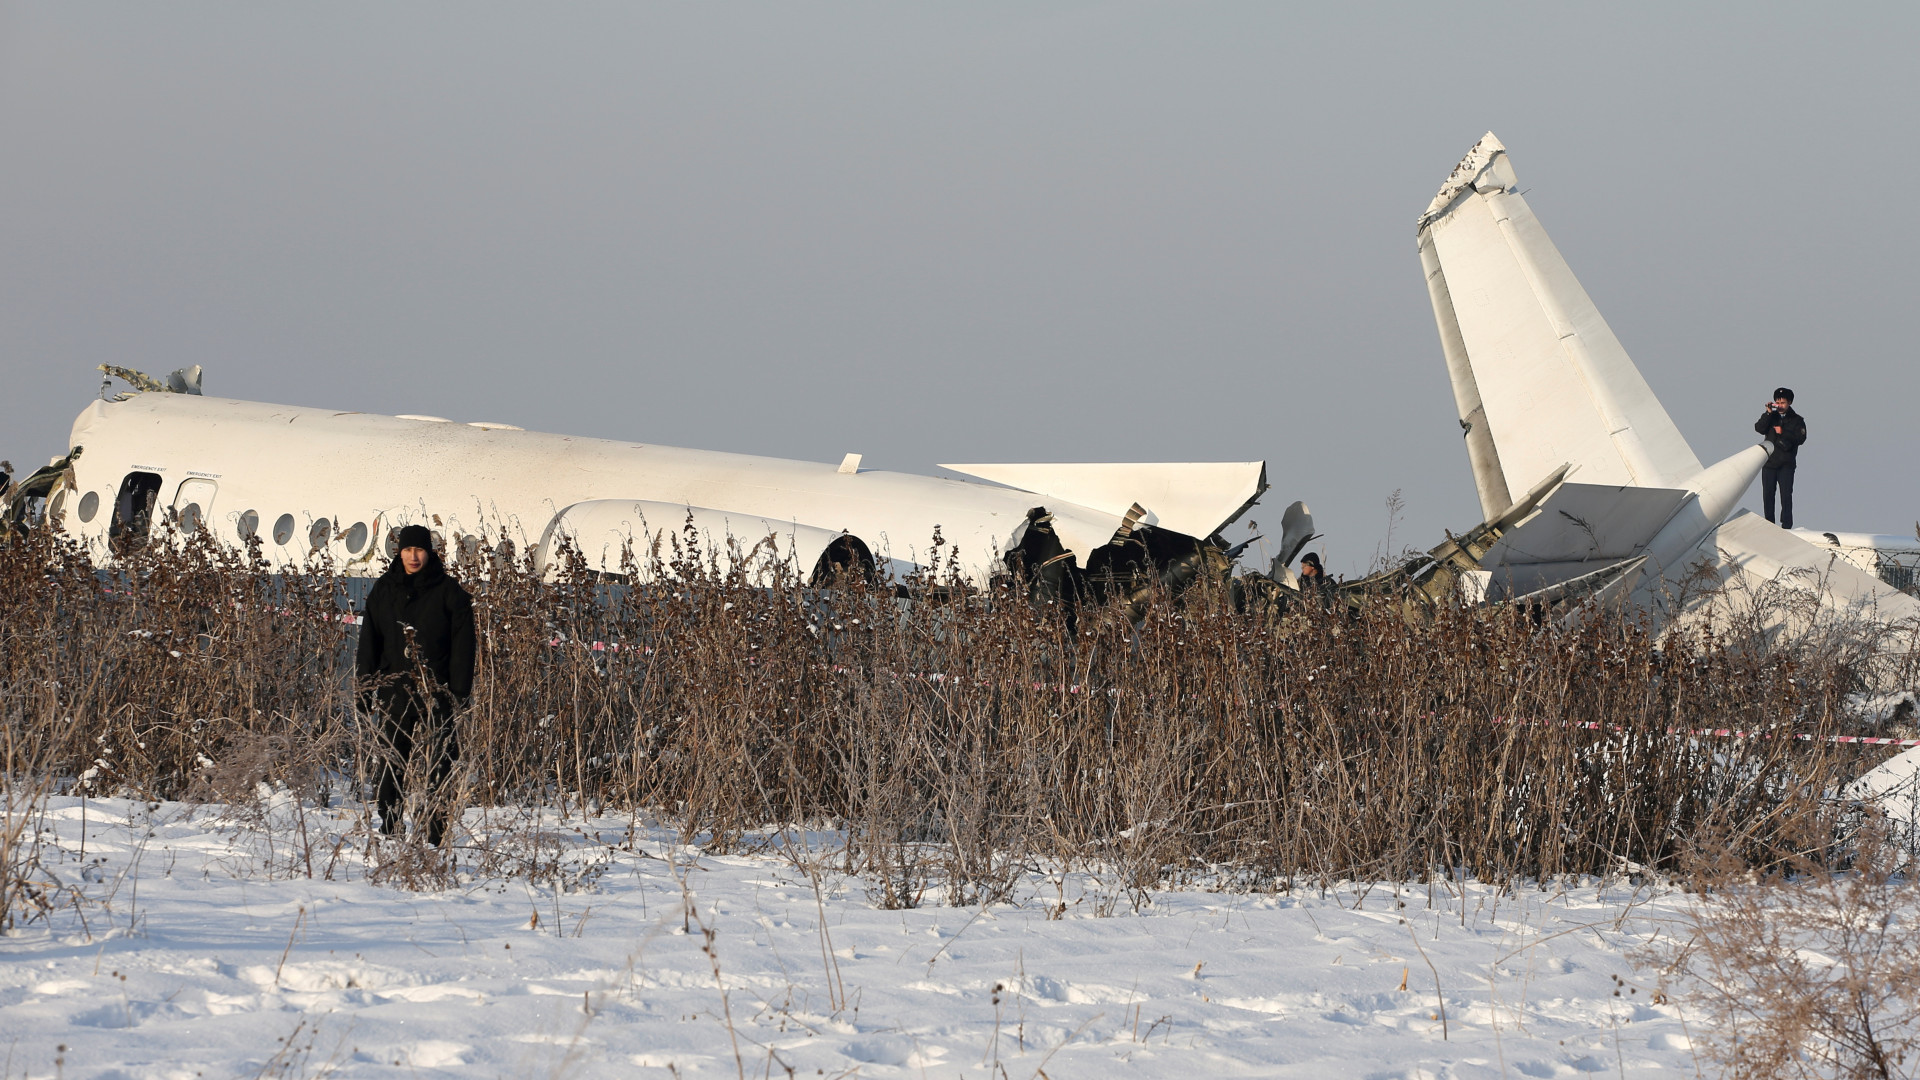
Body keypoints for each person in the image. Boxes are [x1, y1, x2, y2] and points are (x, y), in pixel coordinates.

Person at [355, 524, 475, 847]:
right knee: (393, 758)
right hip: (396, 688)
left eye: (419, 550)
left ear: (429, 552)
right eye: (407, 550)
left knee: (442, 759)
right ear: (399, 552)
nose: (413, 557)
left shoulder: (450, 592)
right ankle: (391, 827)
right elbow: (369, 643)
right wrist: (364, 689)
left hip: (438, 690)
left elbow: (464, 646)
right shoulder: (385, 590)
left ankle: (437, 831)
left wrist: (459, 693)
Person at [1753, 387, 1807, 529]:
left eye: (1783, 403)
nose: (1780, 405)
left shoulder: (1797, 420)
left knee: (1786, 496)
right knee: (1768, 495)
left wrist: (1782, 434)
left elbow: (1800, 438)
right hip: (1769, 462)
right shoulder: (1772, 417)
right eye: (1778, 402)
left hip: (1786, 464)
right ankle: (1769, 525)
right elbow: (1759, 428)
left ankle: (1786, 526)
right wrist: (1768, 413)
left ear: (1789, 402)